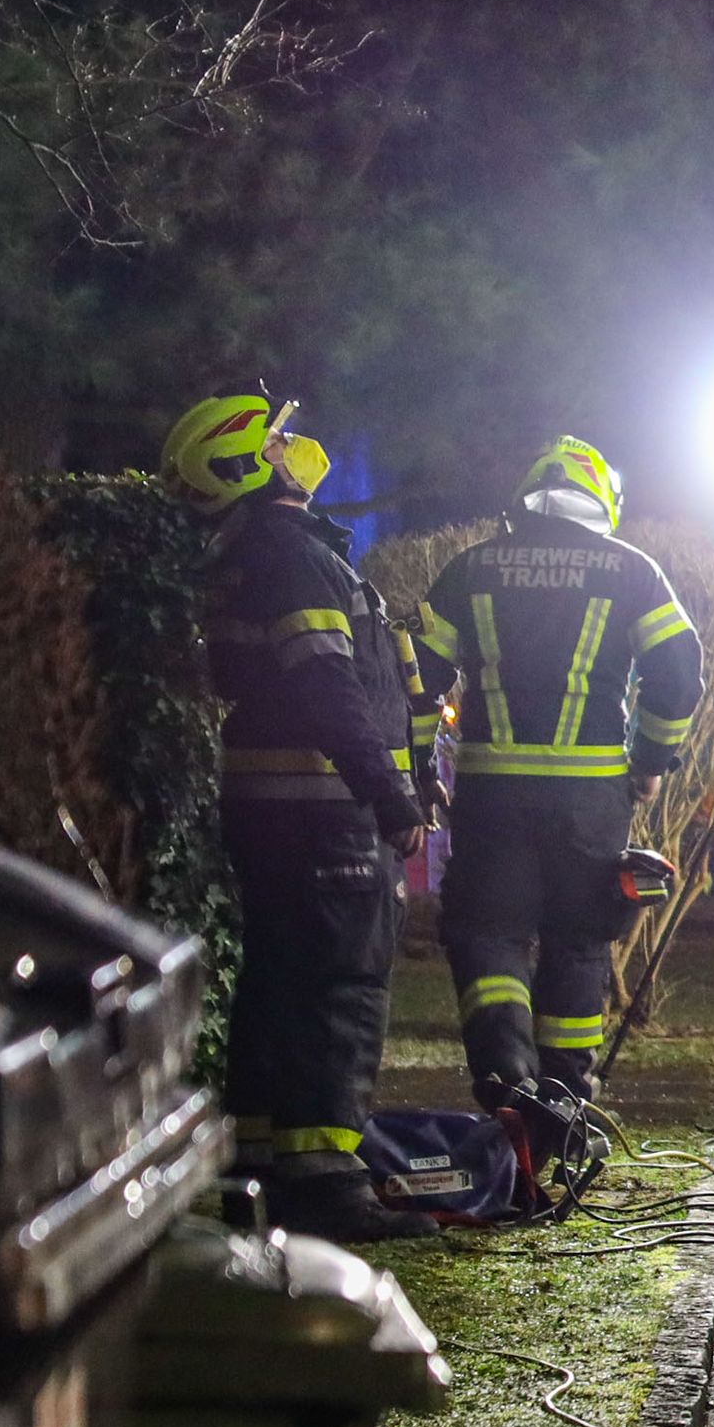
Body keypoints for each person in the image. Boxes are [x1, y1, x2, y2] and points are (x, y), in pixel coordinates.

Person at [169, 392, 435, 1241]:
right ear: (249, 465)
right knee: (339, 992)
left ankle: (258, 1173)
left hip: (274, 818)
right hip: (327, 819)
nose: (293, 448)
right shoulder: (295, 558)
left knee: (276, 991)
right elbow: (327, 684)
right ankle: (327, 1187)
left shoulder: (250, 557)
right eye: (274, 441)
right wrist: (391, 798)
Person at [417, 437, 701, 1115]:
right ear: (603, 501)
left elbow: (417, 683)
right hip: (590, 799)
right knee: (580, 939)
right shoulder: (631, 571)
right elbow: (680, 679)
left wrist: (418, 770)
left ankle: (505, 1077)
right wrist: (650, 764)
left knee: (488, 933)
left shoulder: (468, 569)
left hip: (491, 795)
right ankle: (566, 1100)